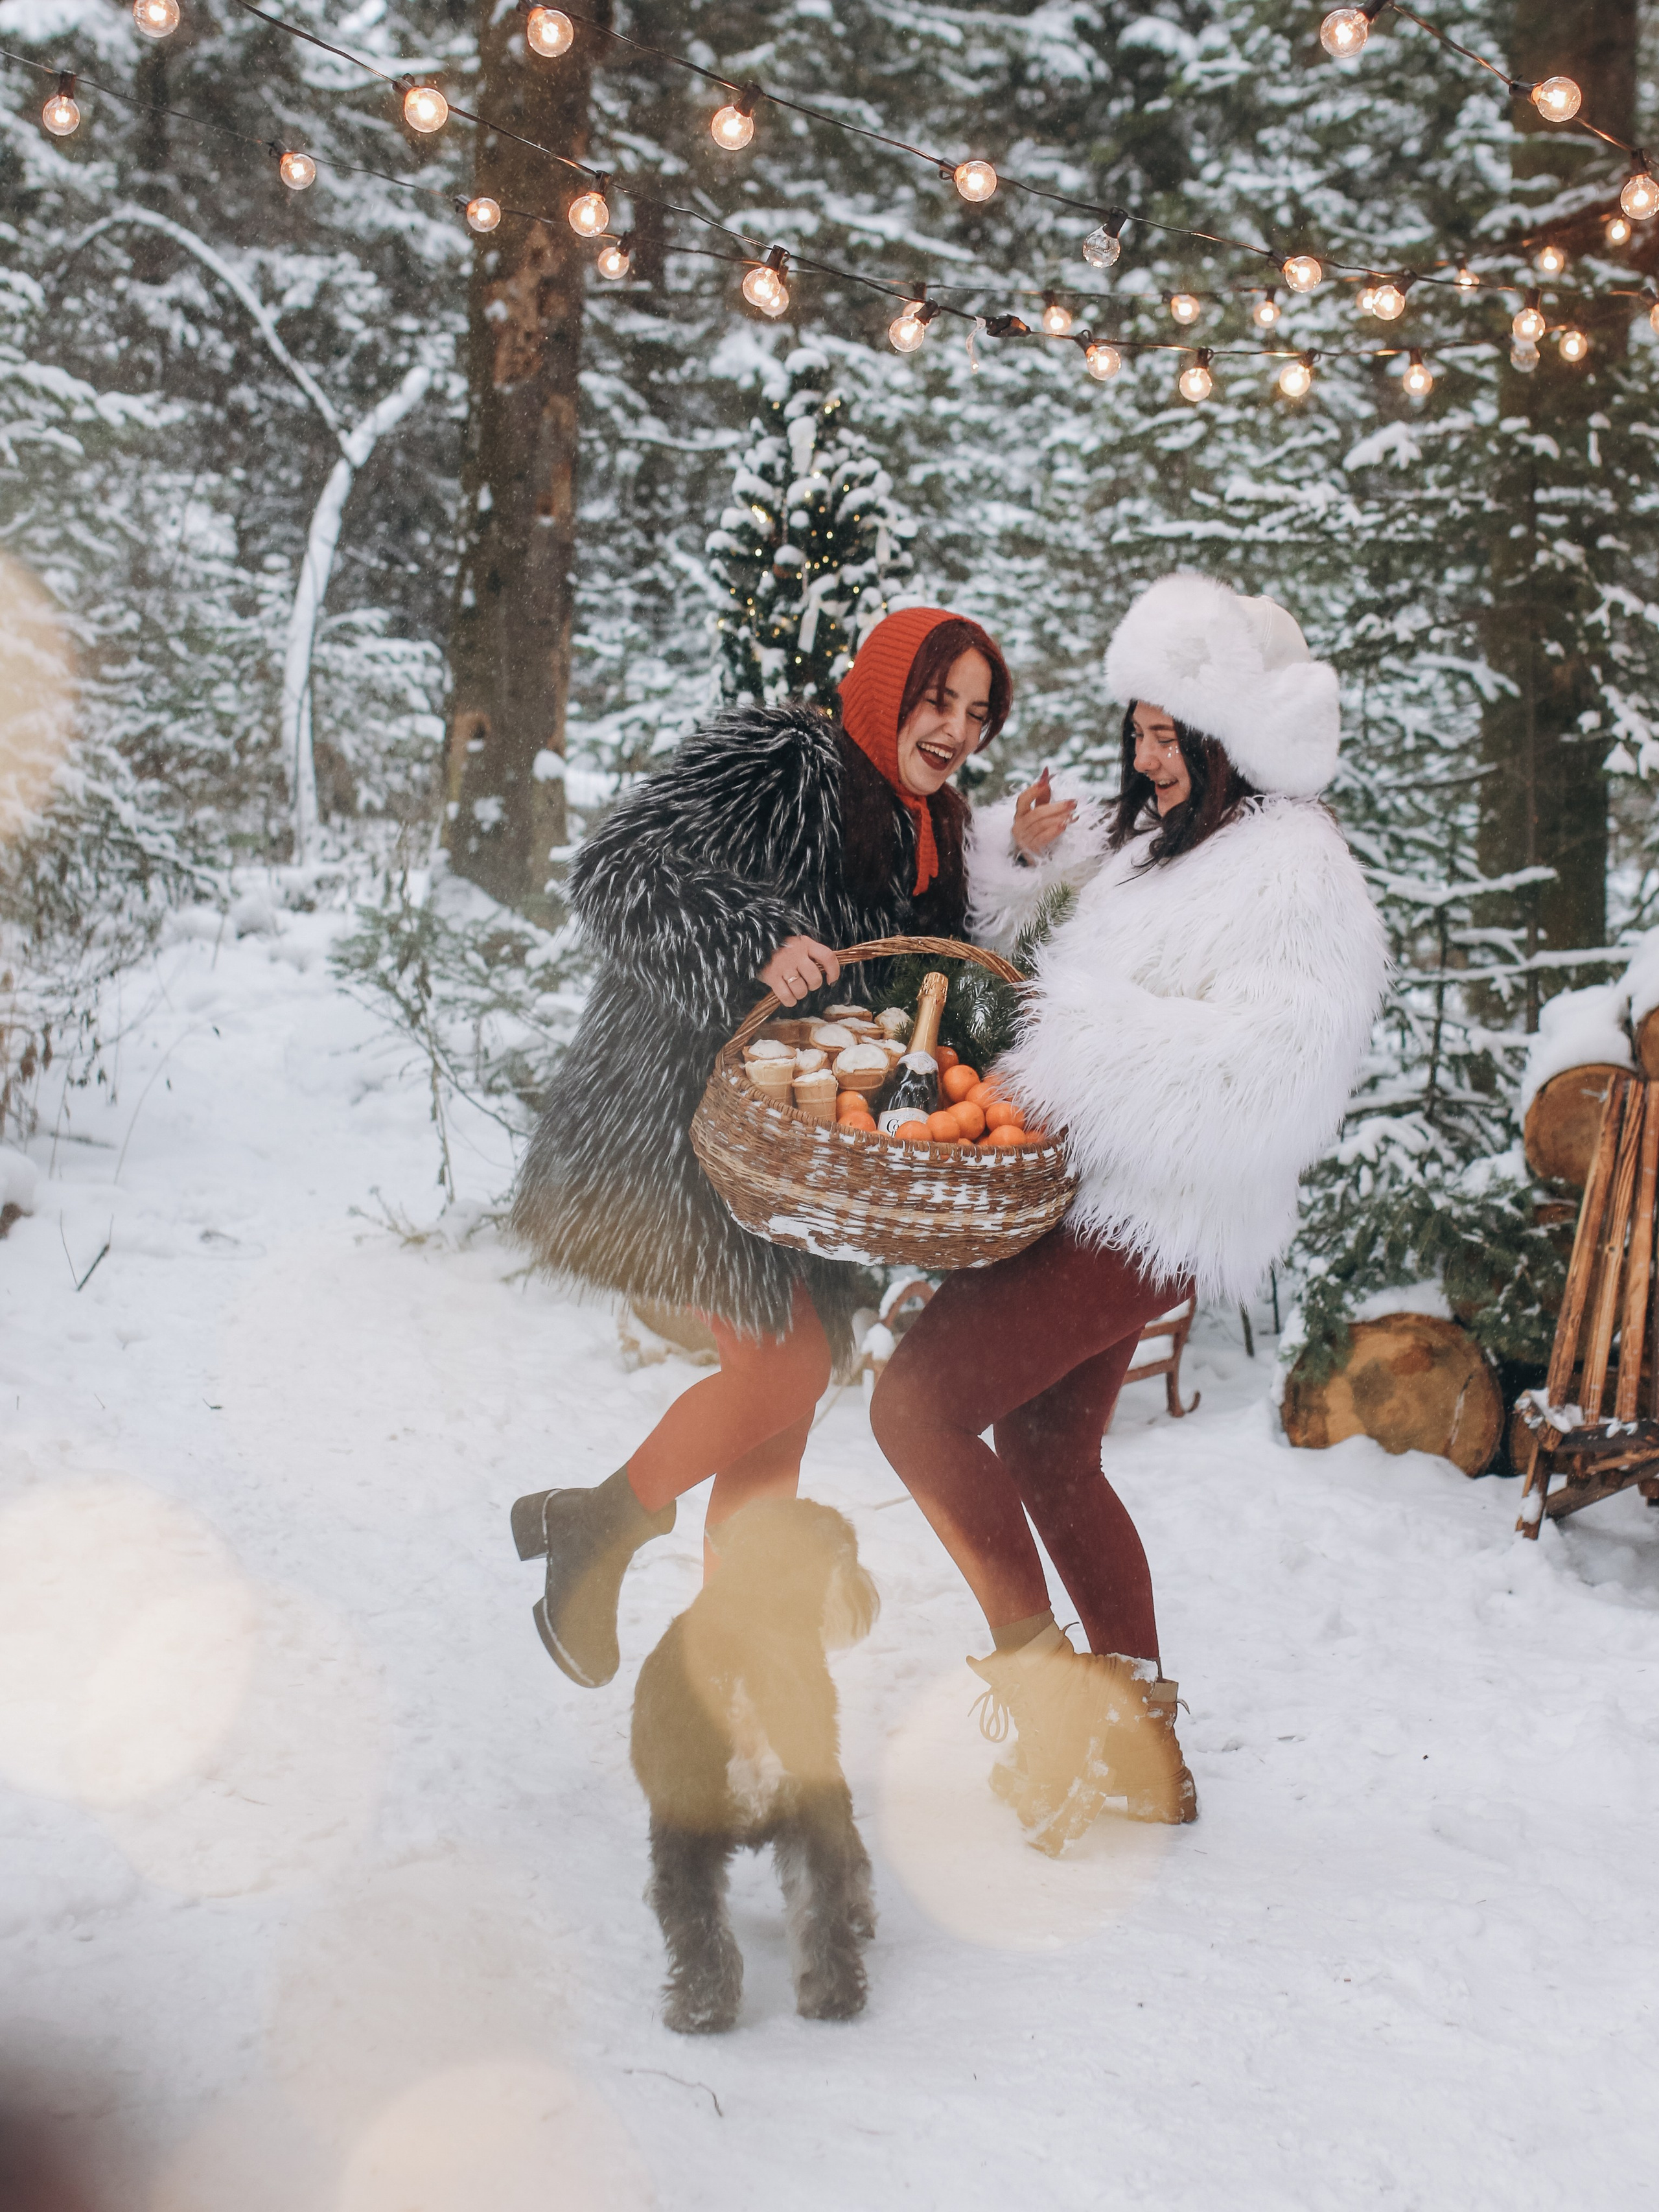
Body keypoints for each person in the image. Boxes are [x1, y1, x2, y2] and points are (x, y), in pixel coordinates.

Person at [869, 572, 1389, 1848]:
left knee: (914, 1408)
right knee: (1048, 1451)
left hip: (1147, 1205)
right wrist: (1024, 856)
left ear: (1231, 741)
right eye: (1140, 731)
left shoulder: (1292, 867)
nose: (1146, 758)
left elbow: (1278, 1067)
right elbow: (1011, 937)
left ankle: (1056, 1714)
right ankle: (1144, 1754)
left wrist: (1074, 1054)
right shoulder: (1163, 840)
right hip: (1085, 1188)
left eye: (1170, 736)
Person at [507, 607, 1073, 1686]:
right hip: (679, 1123)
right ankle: (598, 1525)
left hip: (802, 1155)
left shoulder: (929, 822)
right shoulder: (781, 759)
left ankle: (728, 1662)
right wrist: (755, 939)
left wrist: (1016, 860)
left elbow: (921, 987)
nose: (957, 730)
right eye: (938, 699)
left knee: (782, 1403)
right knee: (786, 1368)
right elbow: (614, 870)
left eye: (977, 713)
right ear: (886, 688)